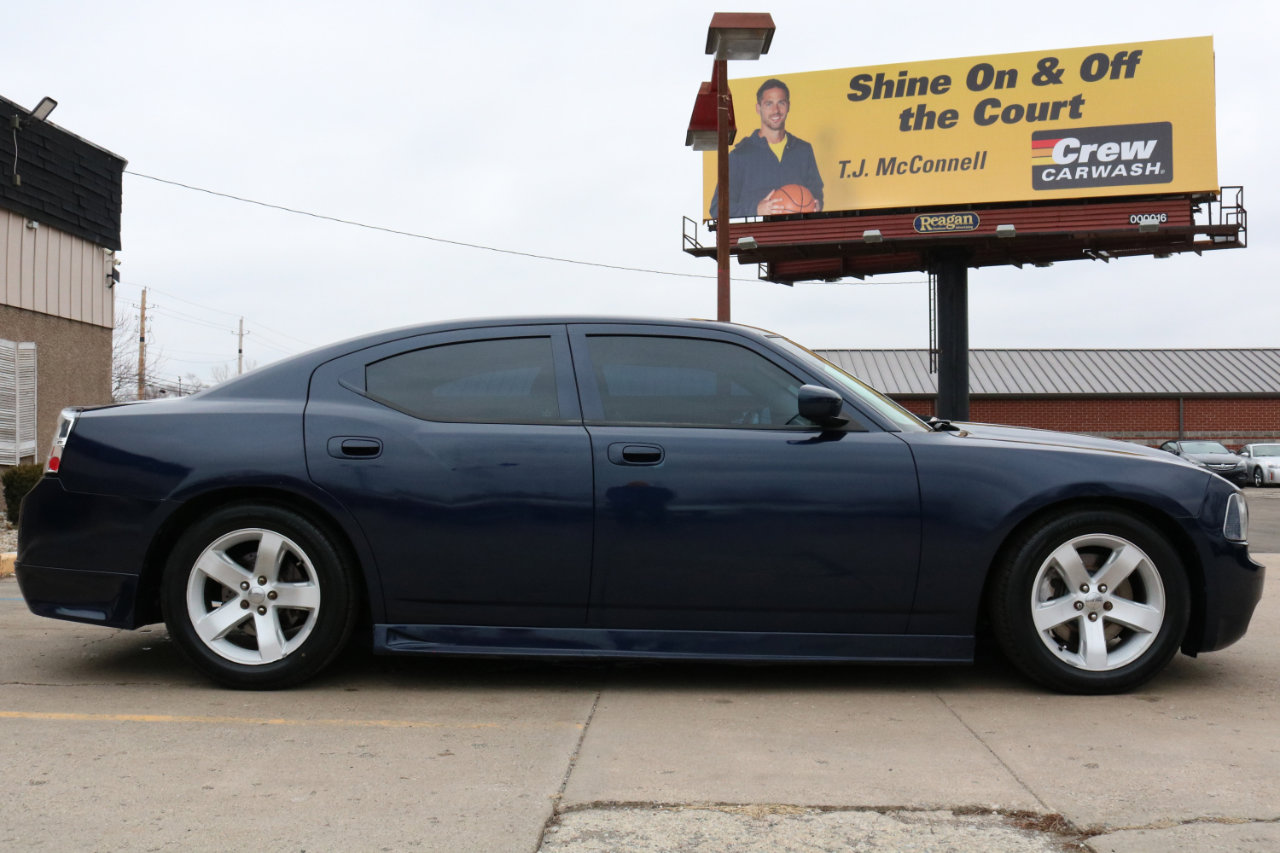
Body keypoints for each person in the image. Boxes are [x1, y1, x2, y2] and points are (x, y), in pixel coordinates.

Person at [709, 78, 824, 219]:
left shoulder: (803, 150)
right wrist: (755, 209)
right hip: (761, 239)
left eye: (781, 103)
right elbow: (717, 210)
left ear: (788, 106)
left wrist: (816, 204)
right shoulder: (739, 156)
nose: (776, 111)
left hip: (798, 236)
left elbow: (816, 193)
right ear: (758, 108)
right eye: (769, 104)